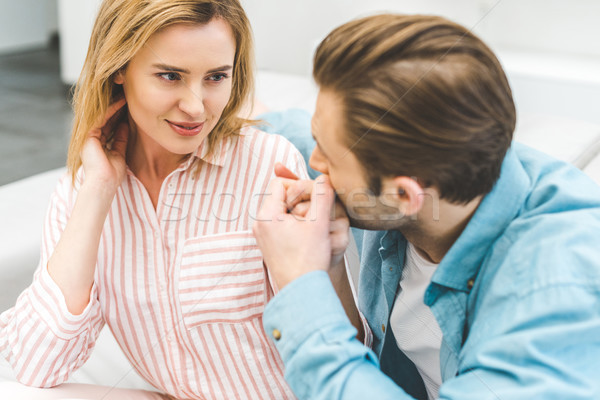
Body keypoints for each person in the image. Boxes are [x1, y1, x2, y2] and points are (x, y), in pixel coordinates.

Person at [0, 0, 362, 399]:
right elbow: (36, 366)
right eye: (170, 76)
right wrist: (97, 192)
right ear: (119, 69)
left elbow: (341, 356)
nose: (194, 107)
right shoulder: (81, 191)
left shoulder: (269, 166)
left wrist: (326, 266)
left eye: (215, 77)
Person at [253, 14, 600, 400]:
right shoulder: (446, 155)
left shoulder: (550, 302)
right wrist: (245, 116)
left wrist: (300, 285)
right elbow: (310, 132)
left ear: (404, 196)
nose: (315, 163)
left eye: (329, 157)